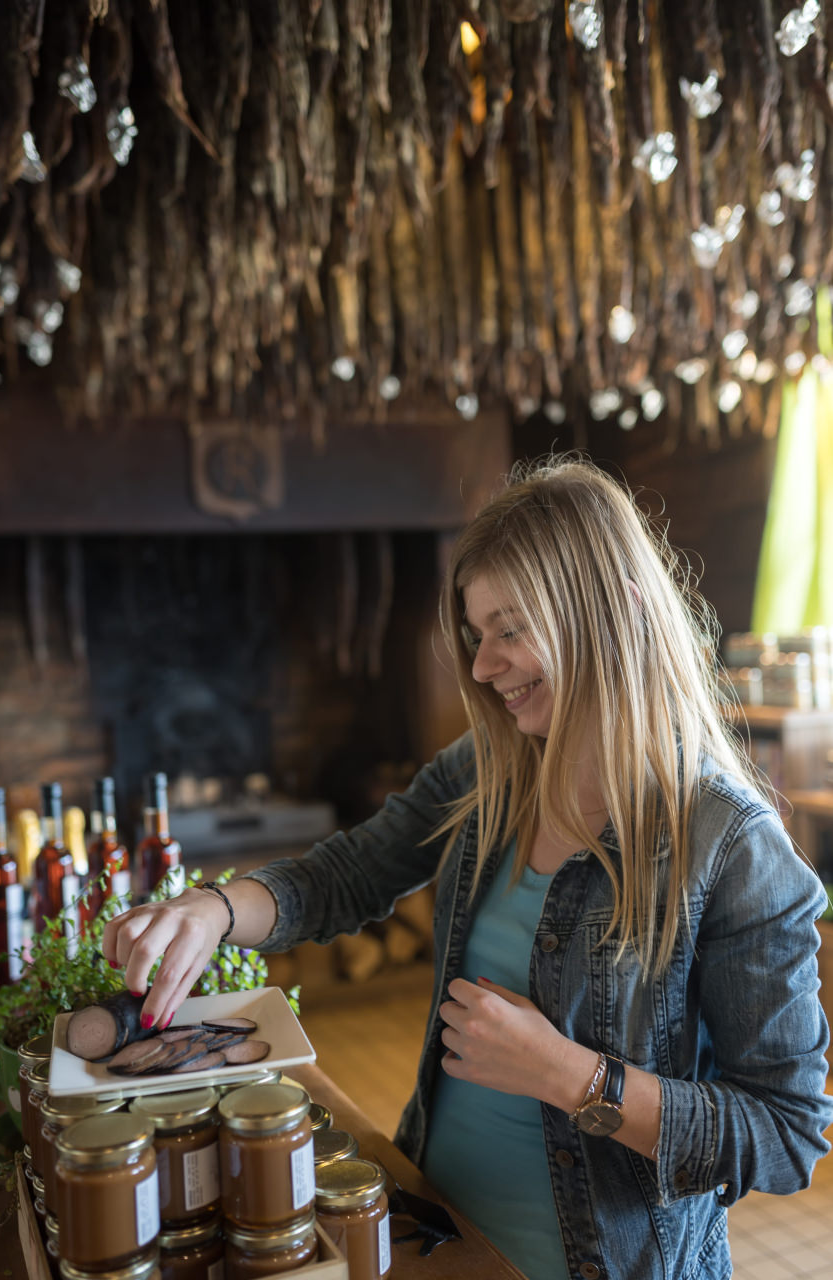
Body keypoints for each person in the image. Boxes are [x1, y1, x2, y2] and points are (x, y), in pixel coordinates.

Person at [104, 455, 833, 1280]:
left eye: (510, 629)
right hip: (435, 1231)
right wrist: (213, 909)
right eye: (476, 635)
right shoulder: (490, 767)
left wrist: (568, 1076)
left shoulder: (730, 844)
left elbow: (783, 1134)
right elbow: (350, 873)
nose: (483, 668)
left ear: (614, 610)